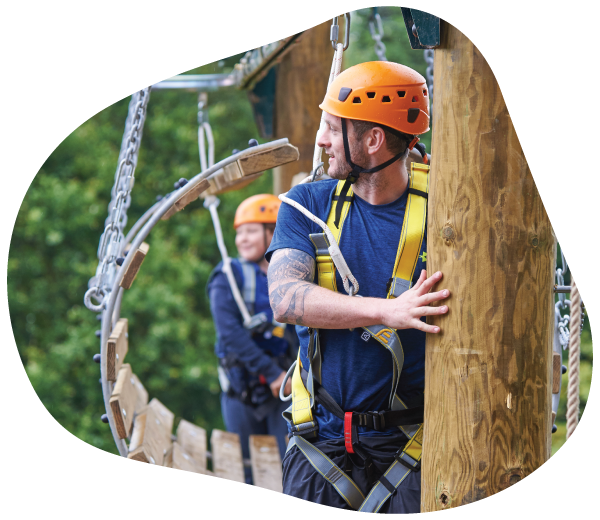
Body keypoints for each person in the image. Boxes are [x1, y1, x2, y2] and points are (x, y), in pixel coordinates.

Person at [266, 62, 451, 512]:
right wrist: (387, 311)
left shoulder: (444, 216)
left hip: (411, 445)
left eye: (332, 128)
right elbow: (285, 299)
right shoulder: (307, 205)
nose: (322, 140)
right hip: (321, 439)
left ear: (372, 140)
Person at [207, 194, 297, 485]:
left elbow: (299, 329)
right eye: (239, 233)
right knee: (245, 469)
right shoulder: (227, 276)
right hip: (243, 391)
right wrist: (272, 374)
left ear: (272, 233)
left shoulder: (288, 275)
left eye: (251, 231)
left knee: (290, 464)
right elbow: (230, 334)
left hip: (281, 390)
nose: (242, 239)